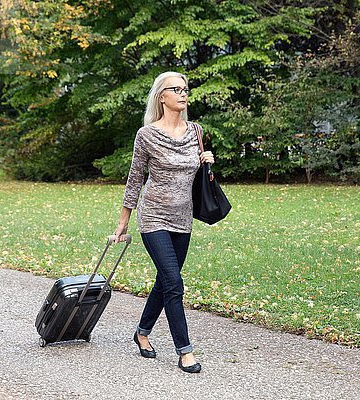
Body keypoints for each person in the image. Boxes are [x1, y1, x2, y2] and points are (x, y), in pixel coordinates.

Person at [111, 71, 214, 373]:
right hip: (153, 216)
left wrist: (206, 161)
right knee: (175, 283)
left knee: (166, 280)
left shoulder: (195, 131)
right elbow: (135, 179)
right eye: (176, 89)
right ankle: (185, 351)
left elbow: (195, 176)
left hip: (183, 218)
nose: (183, 94)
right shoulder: (147, 135)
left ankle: (142, 333)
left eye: (186, 89)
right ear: (162, 96)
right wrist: (123, 220)